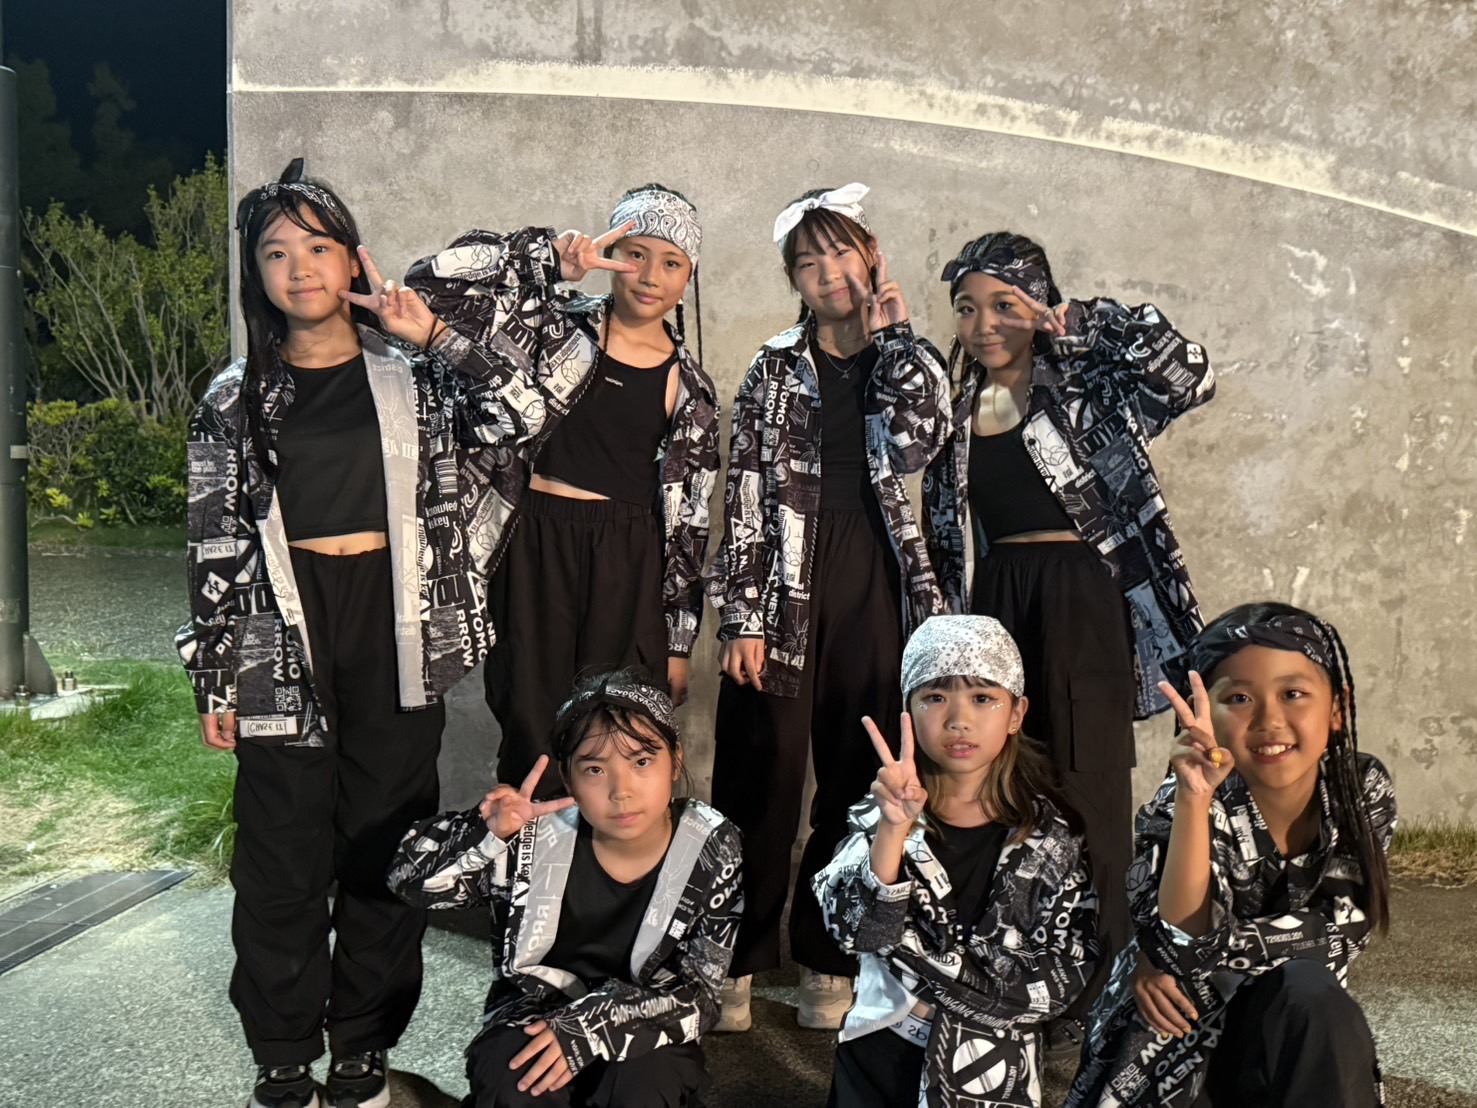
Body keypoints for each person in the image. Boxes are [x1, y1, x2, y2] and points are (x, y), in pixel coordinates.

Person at [177, 159, 597, 1108]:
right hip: (278, 635)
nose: (299, 268)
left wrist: (437, 336)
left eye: (317, 247)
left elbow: (522, 415)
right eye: (275, 252)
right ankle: (283, 1056)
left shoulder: (411, 376)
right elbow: (211, 540)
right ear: (255, 274)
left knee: (386, 847)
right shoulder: (234, 398)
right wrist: (215, 678)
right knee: (280, 856)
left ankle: (362, 1049)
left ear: (352, 258)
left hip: (397, 625)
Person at [921, 231, 1216, 1033]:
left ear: (1039, 305)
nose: (983, 324)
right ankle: (1019, 977)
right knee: (1007, 787)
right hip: (996, 602)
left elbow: (1190, 375)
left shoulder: (1089, 386)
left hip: (1083, 596)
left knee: (1089, 788)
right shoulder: (953, 410)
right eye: (967, 308)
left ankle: (1109, 988)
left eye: (1003, 305)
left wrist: (1084, 322)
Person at [705, 183, 951, 1030]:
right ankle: (736, 959)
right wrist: (741, 616)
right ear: (793, 280)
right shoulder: (773, 367)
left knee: (854, 774)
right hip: (783, 579)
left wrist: (896, 338)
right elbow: (742, 492)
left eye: (841, 251)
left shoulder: (906, 357)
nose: (828, 271)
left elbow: (922, 445)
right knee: (758, 776)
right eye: (808, 262)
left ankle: (826, 956)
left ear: (870, 254)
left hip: (874, 577)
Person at [406, 185, 720, 799]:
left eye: (671, 262)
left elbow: (689, 526)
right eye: (634, 253)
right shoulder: (551, 325)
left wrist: (679, 644)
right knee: (529, 718)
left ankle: (602, 857)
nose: (649, 275)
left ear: (688, 278)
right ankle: (529, 853)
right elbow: (431, 287)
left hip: (627, 558)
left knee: (618, 730)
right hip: (534, 541)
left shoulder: (691, 388)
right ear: (610, 255)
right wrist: (545, 260)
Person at [1066, 602, 1396, 1108]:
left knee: (1313, 993)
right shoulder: (1179, 802)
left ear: (1337, 707)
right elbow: (1183, 946)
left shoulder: (1359, 788)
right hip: (1180, 1035)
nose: (1269, 719)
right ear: (1203, 713)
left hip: (1292, 1022)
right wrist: (1194, 800)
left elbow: (1341, 933)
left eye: (1293, 694)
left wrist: (1161, 953)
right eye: (1239, 698)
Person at [387, 670, 743, 1108]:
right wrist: (484, 834)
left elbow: (702, 996)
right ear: (568, 778)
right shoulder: (532, 837)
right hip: (534, 1011)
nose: (621, 791)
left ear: (676, 759)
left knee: (642, 1085)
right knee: (518, 1080)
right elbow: (407, 882)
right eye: (594, 769)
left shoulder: (710, 844)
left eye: (641, 762)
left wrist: (594, 1025)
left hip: (648, 1018)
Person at [813, 614, 1099, 1107]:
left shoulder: (1054, 836)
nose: (958, 720)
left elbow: (1065, 972)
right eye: (935, 697)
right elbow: (859, 934)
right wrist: (893, 829)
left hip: (993, 1068)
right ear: (908, 710)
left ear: (1017, 713)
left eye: (982, 698)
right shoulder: (875, 814)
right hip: (880, 1050)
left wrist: (934, 974)